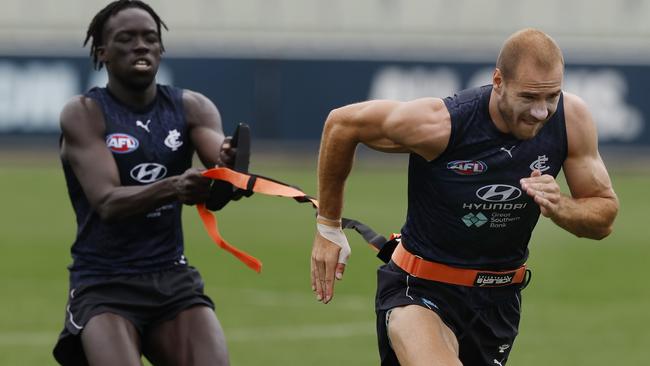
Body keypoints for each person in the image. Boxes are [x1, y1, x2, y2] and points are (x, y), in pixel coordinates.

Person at [310, 28, 619, 365]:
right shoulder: (444, 124)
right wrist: (328, 227)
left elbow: (603, 216)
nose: (542, 112)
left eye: (552, 97)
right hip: (419, 290)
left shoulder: (570, 120)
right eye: (528, 98)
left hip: (498, 302)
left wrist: (561, 206)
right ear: (498, 81)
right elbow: (342, 125)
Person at [53, 1, 234, 364]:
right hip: (104, 284)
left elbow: (219, 184)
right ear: (102, 52)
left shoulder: (192, 107)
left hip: (172, 279)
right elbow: (107, 202)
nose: (141, 45)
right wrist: (175, 187)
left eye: (150, 38)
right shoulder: (84, 114)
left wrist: (230, 169)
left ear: (161, 49)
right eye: (126, 38)